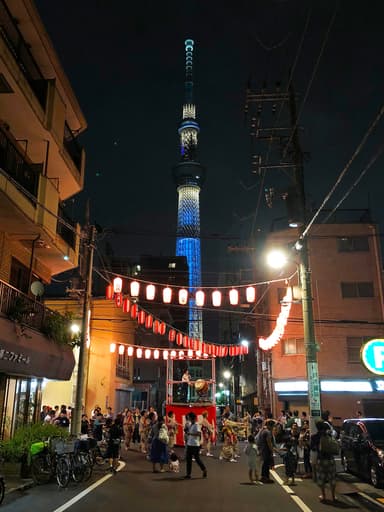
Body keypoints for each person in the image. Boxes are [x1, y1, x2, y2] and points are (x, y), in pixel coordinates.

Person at [311, 420, 338, 503]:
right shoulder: (329, 435)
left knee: (321, 478)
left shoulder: (314, 437)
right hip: (330, 459)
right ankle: (333, 496)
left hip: (321, 460)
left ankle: (323, 495)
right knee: (332, 478)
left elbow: (313, 448)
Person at [184, 412, 207, 479]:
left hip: (195, 445)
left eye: (189, 417)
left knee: (197, 459)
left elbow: (198, 434)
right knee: (188, 460)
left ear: (192, 418)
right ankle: (188, 474)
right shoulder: (191, 425)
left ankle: (204, 469)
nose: (188, 419)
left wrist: (190, 433)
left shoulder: (196, 425)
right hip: (189, 444)